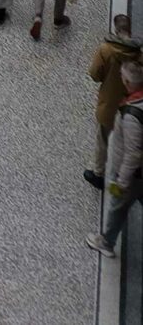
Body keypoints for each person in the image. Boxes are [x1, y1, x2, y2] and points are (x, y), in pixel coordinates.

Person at [88, 59, 143, 261]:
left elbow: (133, 154)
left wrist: (121, 182)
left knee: (117, 207)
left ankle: (106, 242)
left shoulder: (132, 115)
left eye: (123, 77)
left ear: (128, 82)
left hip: (131, 176)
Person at [86, 14, 136, 188]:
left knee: (102, 139)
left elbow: (94, 74)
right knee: (128, 140)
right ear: (129, 30)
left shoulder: (105, 50)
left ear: (116, 30)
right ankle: (127, 174)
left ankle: (98, 173)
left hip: (108, 104)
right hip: (131, 106)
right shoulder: (137, 53)